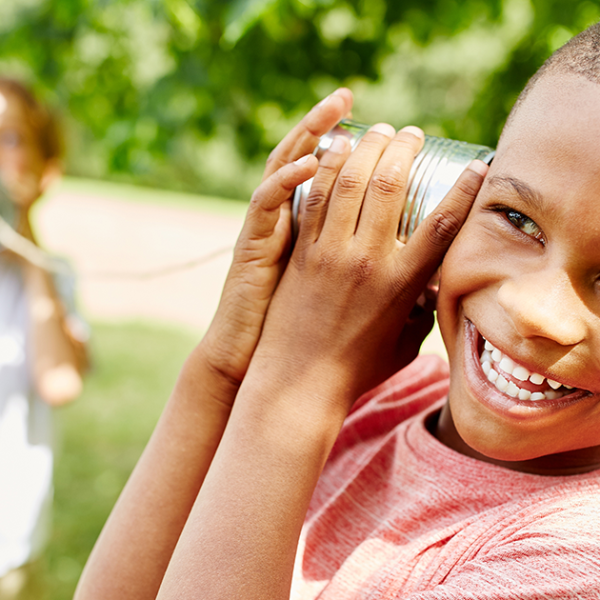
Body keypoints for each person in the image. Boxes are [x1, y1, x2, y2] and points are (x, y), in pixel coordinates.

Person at [75, 22, 600, 600]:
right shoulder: (385, 396)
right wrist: (223, 375)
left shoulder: (575, 561)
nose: (536, 313)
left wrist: (297, 385)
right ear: (451, 202)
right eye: (517, 219)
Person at [0, 79, 88, 596]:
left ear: (45, 170)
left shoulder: (52, 277)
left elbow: (58, 381)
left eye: (10, 139)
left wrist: (29, 252)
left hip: (7, 533)